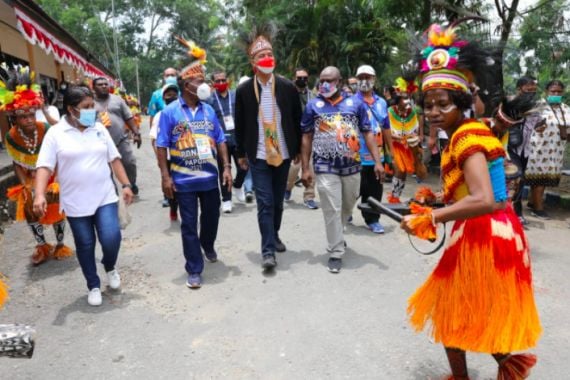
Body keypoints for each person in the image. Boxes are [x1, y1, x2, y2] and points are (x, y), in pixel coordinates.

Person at [401, 24, 541, 380]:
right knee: (473, 313)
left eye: (442, 104)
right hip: (492, 232)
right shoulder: (465, 134)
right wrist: (434, 199)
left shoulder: (467, 136)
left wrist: (434, 218)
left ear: (461, 103)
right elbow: (473, 192)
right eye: (428, 105)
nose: (432, 112)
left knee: (453, 317)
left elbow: (485, 199)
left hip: (485, 237)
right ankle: (510, 368)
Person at [34, 85, 134, 306]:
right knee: (85, 243)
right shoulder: (56, 133)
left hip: (104, 196)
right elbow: (44, 166)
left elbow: (114, 158)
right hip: (75, 201)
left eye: (93, 106)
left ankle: (109, 265)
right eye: (86, 107)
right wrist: (39, 194)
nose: (92, 111)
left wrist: (126, 184)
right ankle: (93, 285)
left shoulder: (98, 128)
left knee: (111, 237)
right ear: (71, 109)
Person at [157, 38, 231, 289]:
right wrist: (165, 177)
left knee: (211, 217)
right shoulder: (169, 113)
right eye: (199, 82)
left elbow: (220, 139)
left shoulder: (209, 110)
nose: (205, 86)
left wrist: (227, 168)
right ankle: (194, 268)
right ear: (186, 85)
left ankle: (207, 243)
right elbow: (161, 145)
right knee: (188, 224)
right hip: (183, 179)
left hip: (209, 178)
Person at [301, 66, 383, 273]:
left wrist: (378, 161)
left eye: (329, 80)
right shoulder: (313, 105)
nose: (325, 84)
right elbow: (307, 137)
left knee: (347, 206)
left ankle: (339, 232)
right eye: (322, 80)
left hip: (352, 166)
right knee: (332, 208)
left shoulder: (356, 104)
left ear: (339, 81)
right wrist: (305, 168)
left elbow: (368, 133)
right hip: (324, 165)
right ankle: (336, 251)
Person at [234, 25, 302, 270]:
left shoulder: (287, 87)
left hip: (283, 153)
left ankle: (274, 234)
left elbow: (296, 118)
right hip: (260, 155)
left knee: (278, 202)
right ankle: (268, 250)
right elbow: (240, 125)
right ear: (253, 62)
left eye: (270, 53)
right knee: (265, 202)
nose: (267, 58)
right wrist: (240, 154)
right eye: (261, 55)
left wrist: (297, 151)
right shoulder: (243, 90)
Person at [1, 64, 73, 265]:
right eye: (23, 116)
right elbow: (16, 163)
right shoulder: (11, 137)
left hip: (52, 174)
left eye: (31, 115)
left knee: (56, 209)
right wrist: (26, 185)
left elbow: (59, 156)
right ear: (14, 118)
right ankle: (42, 246)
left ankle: (60, 245)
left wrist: (56, 181)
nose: (29, 120)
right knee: (30, 212)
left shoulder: (47, 128)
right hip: (30, 178)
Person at [353, 65, 392, 234]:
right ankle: (346, 210)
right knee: (355, 188)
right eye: (361, 77)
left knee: (375, 188)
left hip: (377, 155)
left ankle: (372, 219)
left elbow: (386, 127)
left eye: (367, 77)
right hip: (355, 154)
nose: (364, 81)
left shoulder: (382, 102)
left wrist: (392, 151)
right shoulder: (350, 102)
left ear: (374, 80)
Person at [525, 80, 569, 219]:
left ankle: (532, 203)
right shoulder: (538, 106)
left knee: (543, 179)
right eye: (553, 91)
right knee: (540, 179)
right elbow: (526, 124)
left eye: (558, 92)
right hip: (538, 149)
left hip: (556, 151)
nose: (555, 94)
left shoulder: (566, 109)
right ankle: (538, 209)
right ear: (546, 92)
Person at [92, 77, 142, 195]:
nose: (104, 86)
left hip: (121, 139)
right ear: (93, 88)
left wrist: (136, 132)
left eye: (106, 84)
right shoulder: (89, 102)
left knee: (129, 163)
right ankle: (113, 190)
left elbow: (128, 117)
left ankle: (131, 183)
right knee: (105, 169)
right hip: (99, 142)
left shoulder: (117, 100)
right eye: (100, 84)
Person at [208, 69, 248, 213]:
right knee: (224, 169)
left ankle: (238, 185)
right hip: (221, 141)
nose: (221, 83)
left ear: (228, 81)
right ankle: (226, 199)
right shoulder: (210, 99)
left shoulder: (236, 96)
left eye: (223, 80)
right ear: (213, 83)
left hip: (237, 138)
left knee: (244, 167)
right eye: (217, 81)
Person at [387, 77, 425, 203]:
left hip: (407, 146)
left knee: (403, 173)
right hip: (393, 146)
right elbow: (387, 131)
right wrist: (398, 138)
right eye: (404, 98)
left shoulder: (412, 112)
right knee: (399, 169)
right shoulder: (390, 111)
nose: (407, 100)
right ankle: (394, 196)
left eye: (408, 96)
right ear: (398, 100)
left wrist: (414, 138)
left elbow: (414, 130)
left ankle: (396, 196)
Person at [285, 67, 318, 209]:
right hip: (294, 136)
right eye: (299, 78)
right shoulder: (288, 94)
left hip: (310, 135)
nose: (302, 80)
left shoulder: (313, 96)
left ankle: (309, 196)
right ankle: (287, 188)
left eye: (305, 77)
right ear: (294, 78)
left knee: (311, 167)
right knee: (294, 167)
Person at [509, 76, 539, 224]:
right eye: (528, 89)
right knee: (516, 177)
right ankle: (514, 212)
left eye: (534, 90)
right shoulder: (510, 103)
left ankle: (516, 212)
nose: (531, 92)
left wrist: (541, 125)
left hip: (525, 149)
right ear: (519, 89)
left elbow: (536, 125)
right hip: (511, 147)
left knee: (520, 181)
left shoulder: (536, 105)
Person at [149, 82, 180, 221]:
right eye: (168, 95)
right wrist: (159, 159)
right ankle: (173, 208)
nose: (172, 97)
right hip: (167, 157)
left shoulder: (183, 113)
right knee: (171, 185)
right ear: (164, 98)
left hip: (182, 155)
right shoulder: (159, 116)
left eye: (174, 94)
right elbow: (154, 139)